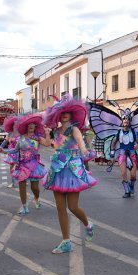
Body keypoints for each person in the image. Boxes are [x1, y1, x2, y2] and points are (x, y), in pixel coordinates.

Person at [43, 95, 97, 254]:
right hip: (58, 168)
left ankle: (88, 223)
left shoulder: (74, 129)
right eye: (62, 112)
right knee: (60, 208)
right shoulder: (55, 131)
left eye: (67, 112)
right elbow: (48, 144)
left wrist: (85, 151)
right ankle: (66, 241)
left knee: (73, 207)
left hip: (72, 169)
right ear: (58, 114)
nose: (65, 114)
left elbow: (80, 142)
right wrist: (46, 133)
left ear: (72, 114)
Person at [10, 113, 49, 215]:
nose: (31, 126)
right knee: (22, 186)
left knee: (34, 187)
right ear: (26, 126)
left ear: (36, 126)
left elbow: (47, 144)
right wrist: (4, 151)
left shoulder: (37, 138)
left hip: (34, 165)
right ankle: (24, 207)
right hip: (22, 165)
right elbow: (15, 150)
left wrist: (47, 133)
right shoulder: (21, 138)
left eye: (33, 124)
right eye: (29, 124)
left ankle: (36, 198)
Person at [109, 116, 138, 198]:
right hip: (122, 155)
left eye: (127, 119)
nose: (126, 120)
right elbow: (113, 143)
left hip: (132, 155)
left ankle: (132, 185)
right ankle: (127, 191)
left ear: (130, 122)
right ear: (122, 121)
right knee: (124, 173)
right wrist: (112, 156)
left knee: (133, 176)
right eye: (124, 119)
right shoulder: (119, 132)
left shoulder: (134, 132)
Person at [0, 115, 20, 189]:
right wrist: (0, 149)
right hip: (11, 152)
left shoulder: (22, 133)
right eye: (14, 124)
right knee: (11, 168)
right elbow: (5, 142)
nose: (16, 126)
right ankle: (13, 183)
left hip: (20, 153)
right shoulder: (10, 134)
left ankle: (23, 180)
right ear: (12, 125)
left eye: (17, 124)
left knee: (21, 167)